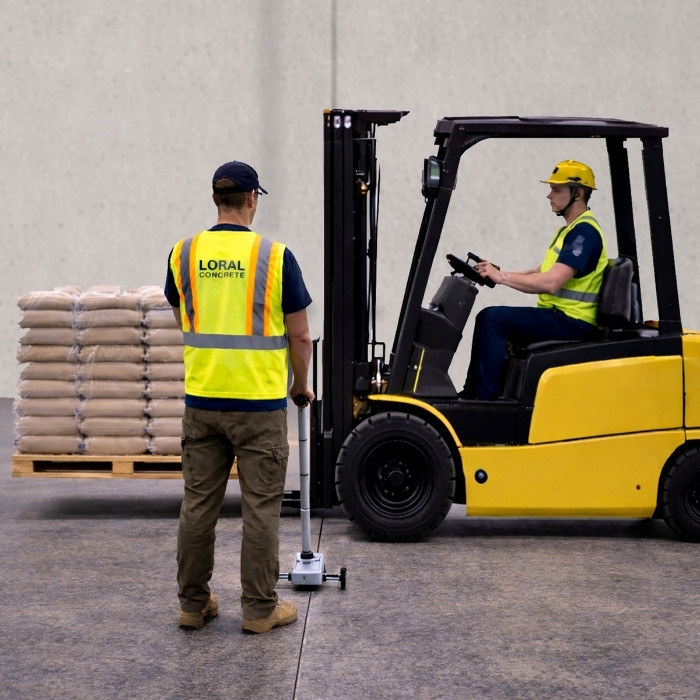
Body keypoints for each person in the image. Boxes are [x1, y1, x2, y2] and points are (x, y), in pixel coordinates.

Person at [164, 160, 314, 633]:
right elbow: (301, 336)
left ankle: (193, 605)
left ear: (215, 199)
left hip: (203, 400)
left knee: (198, 506)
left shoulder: (183, 252)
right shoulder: (274, 256)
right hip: (259, 405)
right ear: (252, 199)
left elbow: (181, 313)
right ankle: (259, 610)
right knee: (261, 510)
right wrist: (301, 383)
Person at [460, 160, 607, 400]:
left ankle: (481, 398)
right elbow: (540, 271)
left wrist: (503, 277)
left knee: (493, 319)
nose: (549, 196)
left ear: (578, 193)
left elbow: (550, 282)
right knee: (493, 317)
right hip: (561, 316)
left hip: (574, 321)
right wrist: (497, 272)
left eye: (557, 190)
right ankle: (476, 394)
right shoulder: (570, 231)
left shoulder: (585, 233)